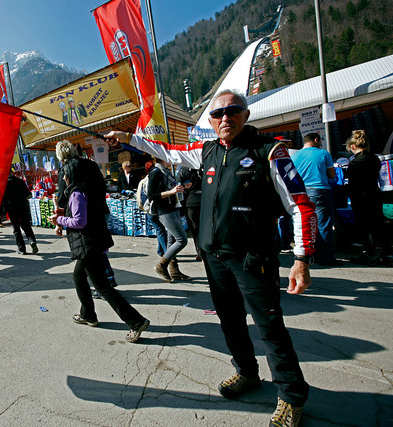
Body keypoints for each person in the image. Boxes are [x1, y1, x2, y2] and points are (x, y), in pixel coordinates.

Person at [107, 89, 317, 427]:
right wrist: (129, 138)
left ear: (245, 115)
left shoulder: (269, 151)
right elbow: (167, 151)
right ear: (210, 121)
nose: (225, 118)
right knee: (230, 321)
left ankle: (292, 395)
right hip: (214, 257)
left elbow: (301, 205)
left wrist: (302, 258)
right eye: (218, 114)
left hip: (253, 259)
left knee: (270, 328)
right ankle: (247, 372)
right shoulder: (205, 151)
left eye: (233, 111)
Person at [49, 161, 149, 343]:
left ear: (72, 175)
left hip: (87, 245)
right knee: (79, 277)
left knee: (103, 287)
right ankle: (88, 314)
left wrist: (60, 220)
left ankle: (135, 321)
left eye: (65, 174)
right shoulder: (88, 188)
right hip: (92, 243)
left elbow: (79, 222)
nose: (63, 178)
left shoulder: (77, 192)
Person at [55, 140, 118, 297]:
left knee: (89, 252)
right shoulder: (91, 164)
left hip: (81, 216)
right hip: (100, 211)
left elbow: (63, 197)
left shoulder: (67, 169)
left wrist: (59, 221)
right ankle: (106, 283)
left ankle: (103, 285)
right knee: (96, 250)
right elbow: (103, 186)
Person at [291, 132, 339, 266]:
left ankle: (308, 255)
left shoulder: (294, 156)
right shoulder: (323, 154)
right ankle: (325, 257)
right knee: (323, 224)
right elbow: (331, 175)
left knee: (306, 224)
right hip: (319, 191)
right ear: (316, 140)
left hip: (302, 193)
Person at [345, 130, 389, 266]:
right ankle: (381, 251)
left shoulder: (354, 163)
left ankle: (370, 252)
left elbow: (352, 183)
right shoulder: (375, 159)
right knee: (377, 223)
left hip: (360, 197)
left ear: (352, 146)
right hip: (374, 194)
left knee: (365, 226)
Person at [147, 159, 191, 282]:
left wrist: (182, 188)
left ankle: (174, 271)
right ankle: (161, 265)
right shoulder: (156, 172)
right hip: (164, 210)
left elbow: (172, 189)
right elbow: (152, 196)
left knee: (171, 241)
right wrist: (172, 191)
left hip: (173, 207)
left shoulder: (166, 171)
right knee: (182, 240)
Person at [1, 173, 38, 255]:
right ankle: (32, 241)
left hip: (12, 208)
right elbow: (28, 195)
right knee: (26, 226)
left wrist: (2, 211)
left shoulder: (3, 184)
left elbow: (2, 199)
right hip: (23, 207)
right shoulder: (20, 181)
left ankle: (21, 248)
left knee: (16, 229)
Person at [177, 166, 203, 261]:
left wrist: (181, 207)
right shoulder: (203, 167)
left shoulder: (183, 170)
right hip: (204, 201)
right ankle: (205, 252)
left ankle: (200, 253)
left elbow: (179, 189)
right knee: (205, 228)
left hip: (191, 202)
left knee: (195, 229)